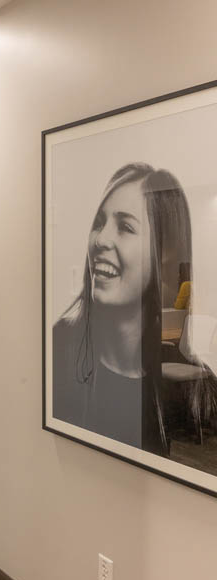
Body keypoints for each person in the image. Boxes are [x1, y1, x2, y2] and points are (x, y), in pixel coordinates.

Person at [52, 162, 200, 456]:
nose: (101, 239)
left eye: (126, 227)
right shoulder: (60, 345)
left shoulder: (181, 392)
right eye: (99, 222)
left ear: (164, 252)